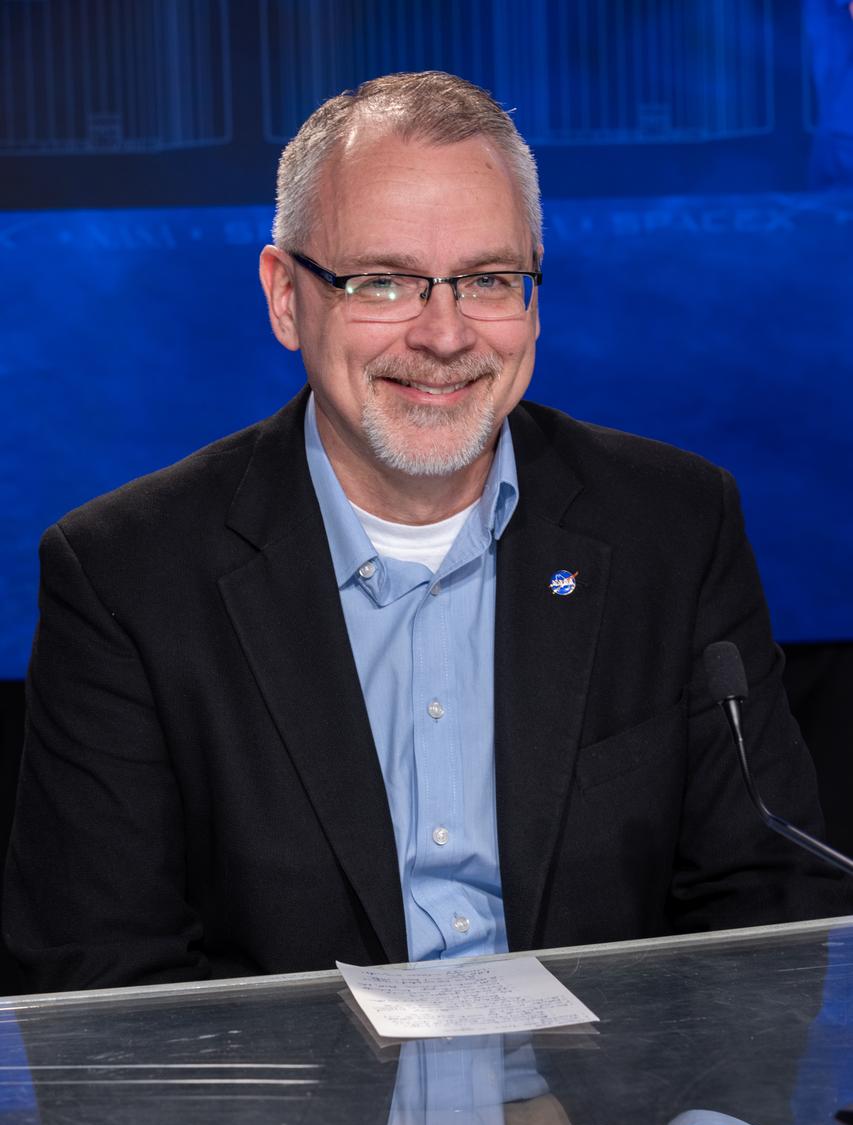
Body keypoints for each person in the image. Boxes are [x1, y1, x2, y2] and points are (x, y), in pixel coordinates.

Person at [3, 72, 850, 998]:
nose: (444, 336)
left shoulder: (676, 526)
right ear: (286, 297)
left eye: (488, 280)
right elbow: (99, 971)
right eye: (384, 282)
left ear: (532, 294)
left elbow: (766, 890)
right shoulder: (125, 576)